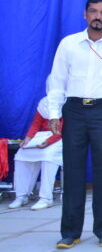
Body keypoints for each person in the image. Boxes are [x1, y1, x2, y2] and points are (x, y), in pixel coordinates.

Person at [48, 0, 102, 249]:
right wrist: (55, 113)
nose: (98, 16)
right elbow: (57, 80)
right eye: (93, 11)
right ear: (85, 14)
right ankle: (70, 232)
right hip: (74, 110)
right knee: (73, 172)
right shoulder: (68, 44)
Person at [10, 83, 62, 211]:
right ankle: (22, 195)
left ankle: (46, 198)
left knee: (47, 156)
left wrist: (48, 142)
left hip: (60, 138)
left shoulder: (67, 103)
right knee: (21, 155)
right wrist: (27, 139)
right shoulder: (44, 103)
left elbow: (63, 128)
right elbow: (36, 124)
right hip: (41, 137)